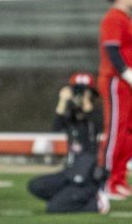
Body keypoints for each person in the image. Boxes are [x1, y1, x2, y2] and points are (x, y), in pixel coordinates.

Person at [27, 73, 109, 214]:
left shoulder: (95, 114)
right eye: (77, 90)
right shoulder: (71, 115)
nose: (80, 94)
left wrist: (86, 101)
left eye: (83, 90)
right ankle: (66, 198)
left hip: (87, 177)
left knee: (53, 209)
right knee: (36, 185)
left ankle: (96, 203)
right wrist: (63, 100)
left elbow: (98, 125)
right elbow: (56, 127)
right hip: (69, 172)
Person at [97, 0, 132, 201]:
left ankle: (118, 177)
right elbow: (112, 52)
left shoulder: (126, 19)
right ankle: (105, 181)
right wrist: (130, 77)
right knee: (116, 132)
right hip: (118, 82)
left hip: (131, 84)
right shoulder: (113, 18)